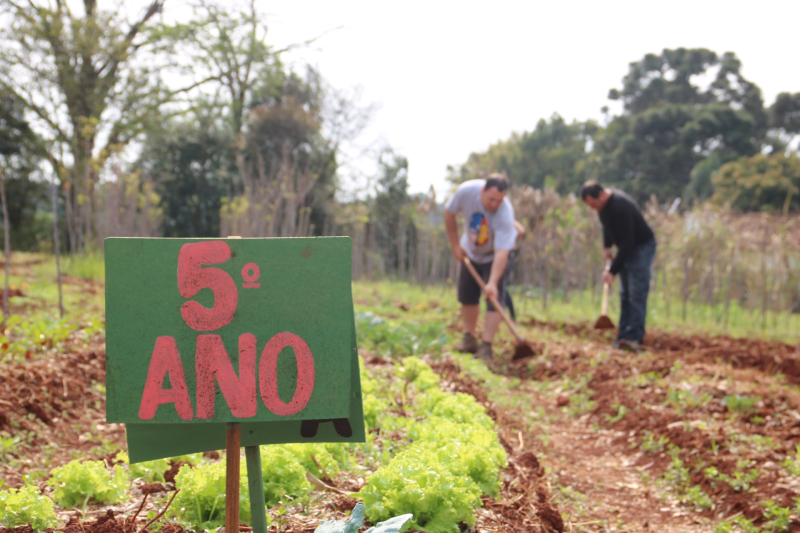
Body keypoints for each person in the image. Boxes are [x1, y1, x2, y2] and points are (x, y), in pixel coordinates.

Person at [445, 174, 517, 360]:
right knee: (467, 296)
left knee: (494, 298)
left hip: (493, 256)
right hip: (469, 252)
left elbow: (502, 252)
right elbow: (449, 212)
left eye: (499, 201)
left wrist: (492, 283)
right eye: (491, 199)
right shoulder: (466, 192)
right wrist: (455, 245)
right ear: (483, 191)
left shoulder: (505, 213)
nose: (494, 204)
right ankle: (469, 338)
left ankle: (486, 345)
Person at [580, 180, 656, 349]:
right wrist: (607, 246)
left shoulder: (620, 206)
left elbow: (629, 242)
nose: (593, 208)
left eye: (593, 204)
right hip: (627, 247)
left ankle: (635, 336)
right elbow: (606, 227)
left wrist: (612, 271)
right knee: (625, 293)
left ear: (600, 195)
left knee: (636, 292)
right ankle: (624, 333)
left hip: (641, 247)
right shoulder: (603, 208)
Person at [502, 220, 526, 322]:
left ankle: (511, 317)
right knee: (500, 288)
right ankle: (502, 315)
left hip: (506, 257)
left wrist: (510, 219)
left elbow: (521, 231)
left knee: (502, 287)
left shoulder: (507, 220)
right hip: (496, 257)